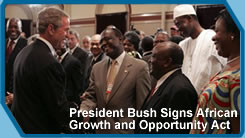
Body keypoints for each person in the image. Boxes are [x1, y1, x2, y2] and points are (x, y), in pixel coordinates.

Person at [11, 7, 78, 134]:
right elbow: (58, 109)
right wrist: (79, 113)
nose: (68, 36)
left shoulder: (24, 52)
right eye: (66, 30)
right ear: (51, 29)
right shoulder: (49, 62)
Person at [80, 27, 151, 134]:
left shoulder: (139, 67)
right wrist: (85, 110)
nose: (104, 43)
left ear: (120, 39)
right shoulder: (97, 68)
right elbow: (91, 95)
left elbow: (143, 106)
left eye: (108, 39)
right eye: (101, 41)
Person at [190, 9, 240, 134]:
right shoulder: (229, 67)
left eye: (217, 31)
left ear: (232, 34)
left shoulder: (239, 76)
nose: (213, 37)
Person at [135, 42, 197, 134]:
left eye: (154, 56)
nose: (150, 60)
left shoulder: (180, 90)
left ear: (167, 62)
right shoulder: (164, 82)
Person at [173, 4, 226, 94]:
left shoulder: (212, 38)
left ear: (190, 18)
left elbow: (225, 67)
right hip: (187, 99)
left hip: (210, 98)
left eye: (179, 23)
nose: (178, 28)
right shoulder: (182, 44)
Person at [5, 18, 27, 107]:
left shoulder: (26, 45)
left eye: (16, 27)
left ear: (20, 29)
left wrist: (15, 94)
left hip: (16, 95)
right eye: (10, 27)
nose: (13, 29)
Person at [56, 40, 83, 105]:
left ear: (66, 46)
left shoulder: (73, 62)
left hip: (69, 100)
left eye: (61, 44)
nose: (58, 47)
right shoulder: (55, 59)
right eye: (57, 45)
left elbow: (78, 85)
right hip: (58, 99)